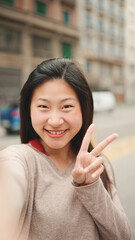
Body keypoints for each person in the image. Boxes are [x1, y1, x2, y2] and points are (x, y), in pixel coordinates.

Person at [0, 58, 131, 240]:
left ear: (84, 109)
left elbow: (122, 235)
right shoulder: (19, 160)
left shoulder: (96, 165)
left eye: (67, 106)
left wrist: (90, 187)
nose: (55, 120)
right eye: (43, 107)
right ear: (29, 110)